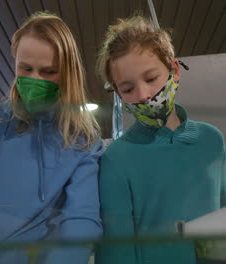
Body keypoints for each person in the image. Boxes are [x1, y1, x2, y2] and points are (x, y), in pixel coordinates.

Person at [0, 12, 103, 263]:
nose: (35, 79)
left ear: (67, 73)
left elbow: (81, 222)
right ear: (14, 62)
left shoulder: (82, 140)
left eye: (48, 71)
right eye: (25, 68)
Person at [95, 16, 226, 264]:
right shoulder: (116, 159)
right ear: (118, 94)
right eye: (128, 88)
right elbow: (116, 251)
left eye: (151, 78)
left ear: (174, 71)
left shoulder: (212, 142)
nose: (143, 95)